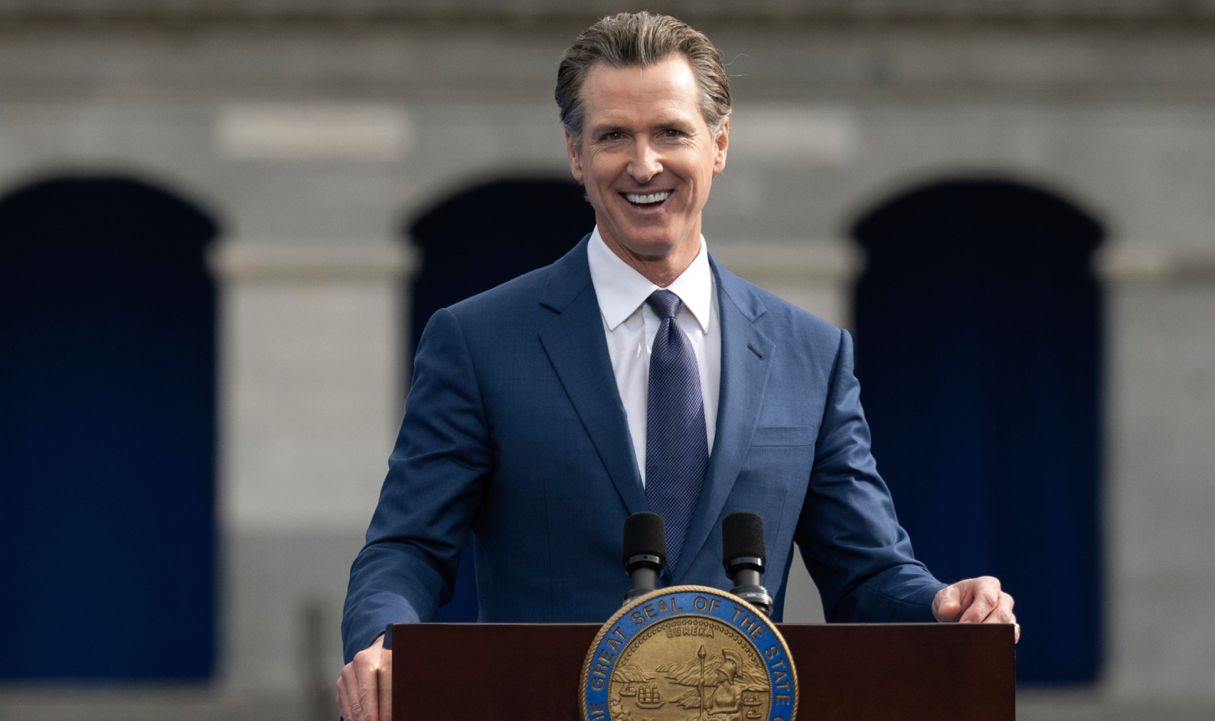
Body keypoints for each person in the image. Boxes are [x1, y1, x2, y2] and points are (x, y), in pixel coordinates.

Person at [336, 11, 1017, 721]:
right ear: (575, 153)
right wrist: (381, 644)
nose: (643, 165)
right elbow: (407, 546)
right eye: (612, 137)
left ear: (718, 144)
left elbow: (869, 571)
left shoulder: (809, 353)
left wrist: (942, 607)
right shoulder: (478, 342)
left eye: (670, 132)